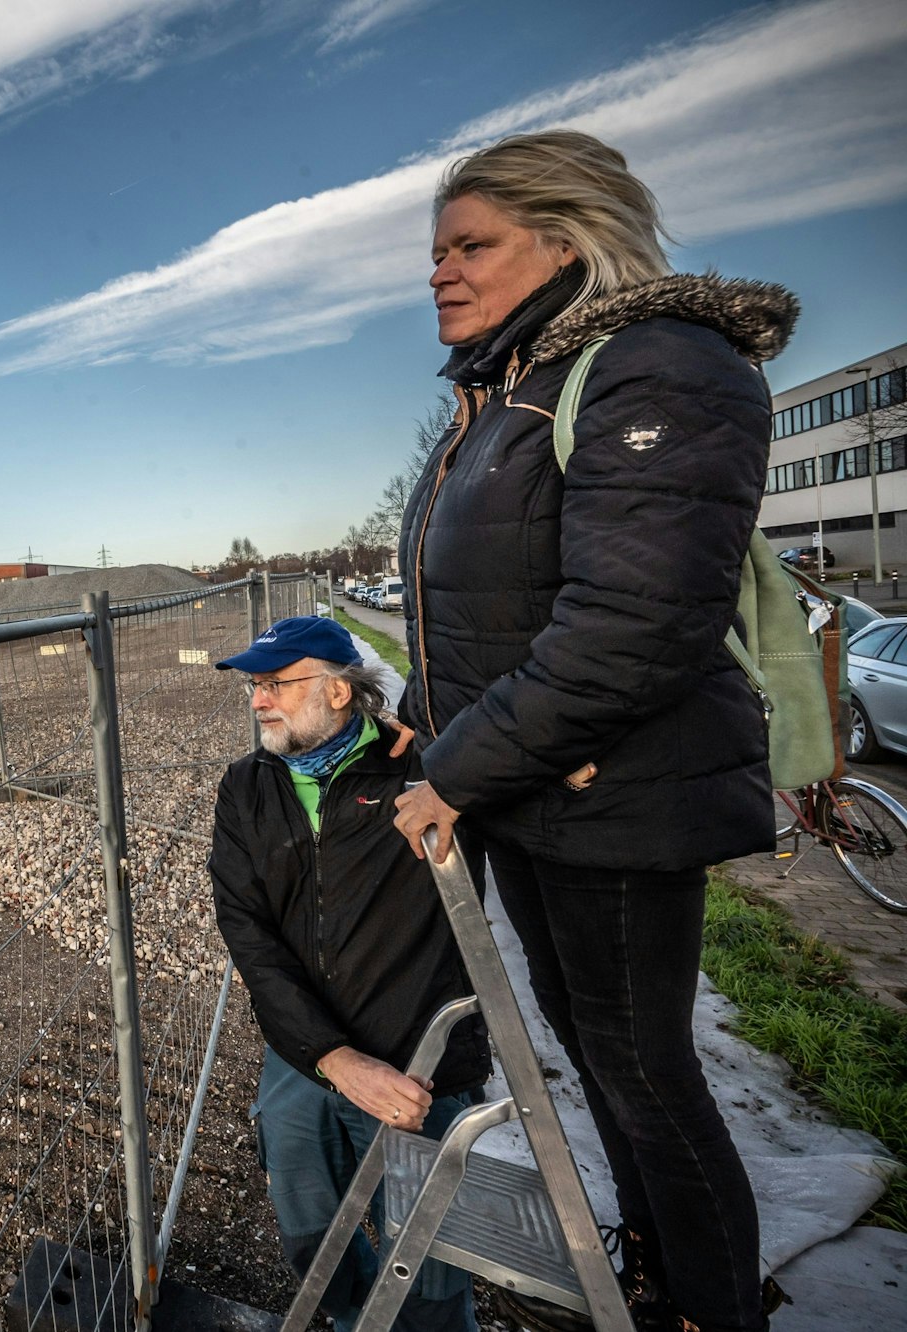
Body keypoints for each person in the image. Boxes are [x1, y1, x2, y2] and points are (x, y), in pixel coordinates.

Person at [390, 130, 798, 1332]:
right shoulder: (506, 390)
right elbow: (480, 607)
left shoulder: (654, 366)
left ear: (566, 240)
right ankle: (654, 1275)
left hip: (611, 794)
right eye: (433, 252)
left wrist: (455, 770)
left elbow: (631, 625)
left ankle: (710, 1307)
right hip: (537, 789)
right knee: (596, 1053)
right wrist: (421, 720)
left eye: (470, 245)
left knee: (644, 1073)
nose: (438, 272)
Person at [209, 615, 489, 1332]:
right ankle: (352, 1319)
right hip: (302, 1059)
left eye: (275, 683)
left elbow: (497, 713)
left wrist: (434, 748)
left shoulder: (424, 775)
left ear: (339, 691)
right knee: (311, 1239)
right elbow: (249, 934)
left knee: (428, 1268)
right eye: (253, 684)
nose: (257, 699)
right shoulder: (246, 788)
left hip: (417, 1062)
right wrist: (332, 1058)